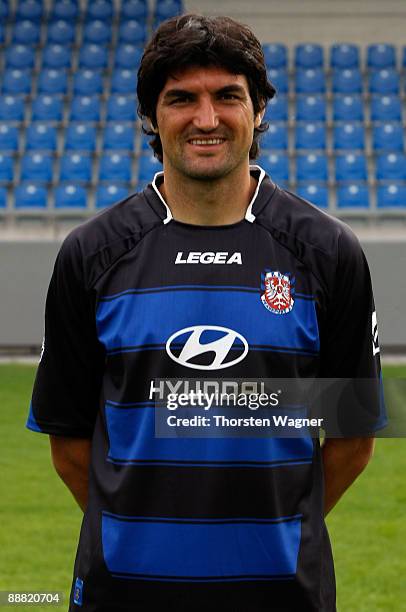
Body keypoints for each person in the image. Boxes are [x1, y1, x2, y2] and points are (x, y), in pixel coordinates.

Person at [26, 14, 387, 612]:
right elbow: (67, 441)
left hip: (281, 593)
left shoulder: (329, 251)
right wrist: (139, 531)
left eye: (228, 96)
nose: (206, 118)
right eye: (181, 99)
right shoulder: (90, 253)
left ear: (259, 110)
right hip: (126, 592)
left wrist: (275, 530)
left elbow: (352, 437)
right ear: (151, 116)